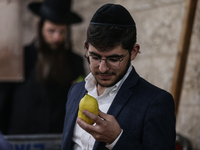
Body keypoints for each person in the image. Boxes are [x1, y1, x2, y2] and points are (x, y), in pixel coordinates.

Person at [61, 3, 176, 150]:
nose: (102, 68)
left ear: (133, 51)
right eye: (95, 57)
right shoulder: (75, 92)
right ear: (86, 47)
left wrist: (117, 139)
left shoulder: (156, 102)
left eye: (113, 59)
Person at [0, 0, 85, 135]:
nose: (57, 37)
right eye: (51, 31)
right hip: (20, 141)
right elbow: (3, 103)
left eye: (62, 32)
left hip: (58, 140)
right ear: (39, 27)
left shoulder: (75, 62)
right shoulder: (18, 58)